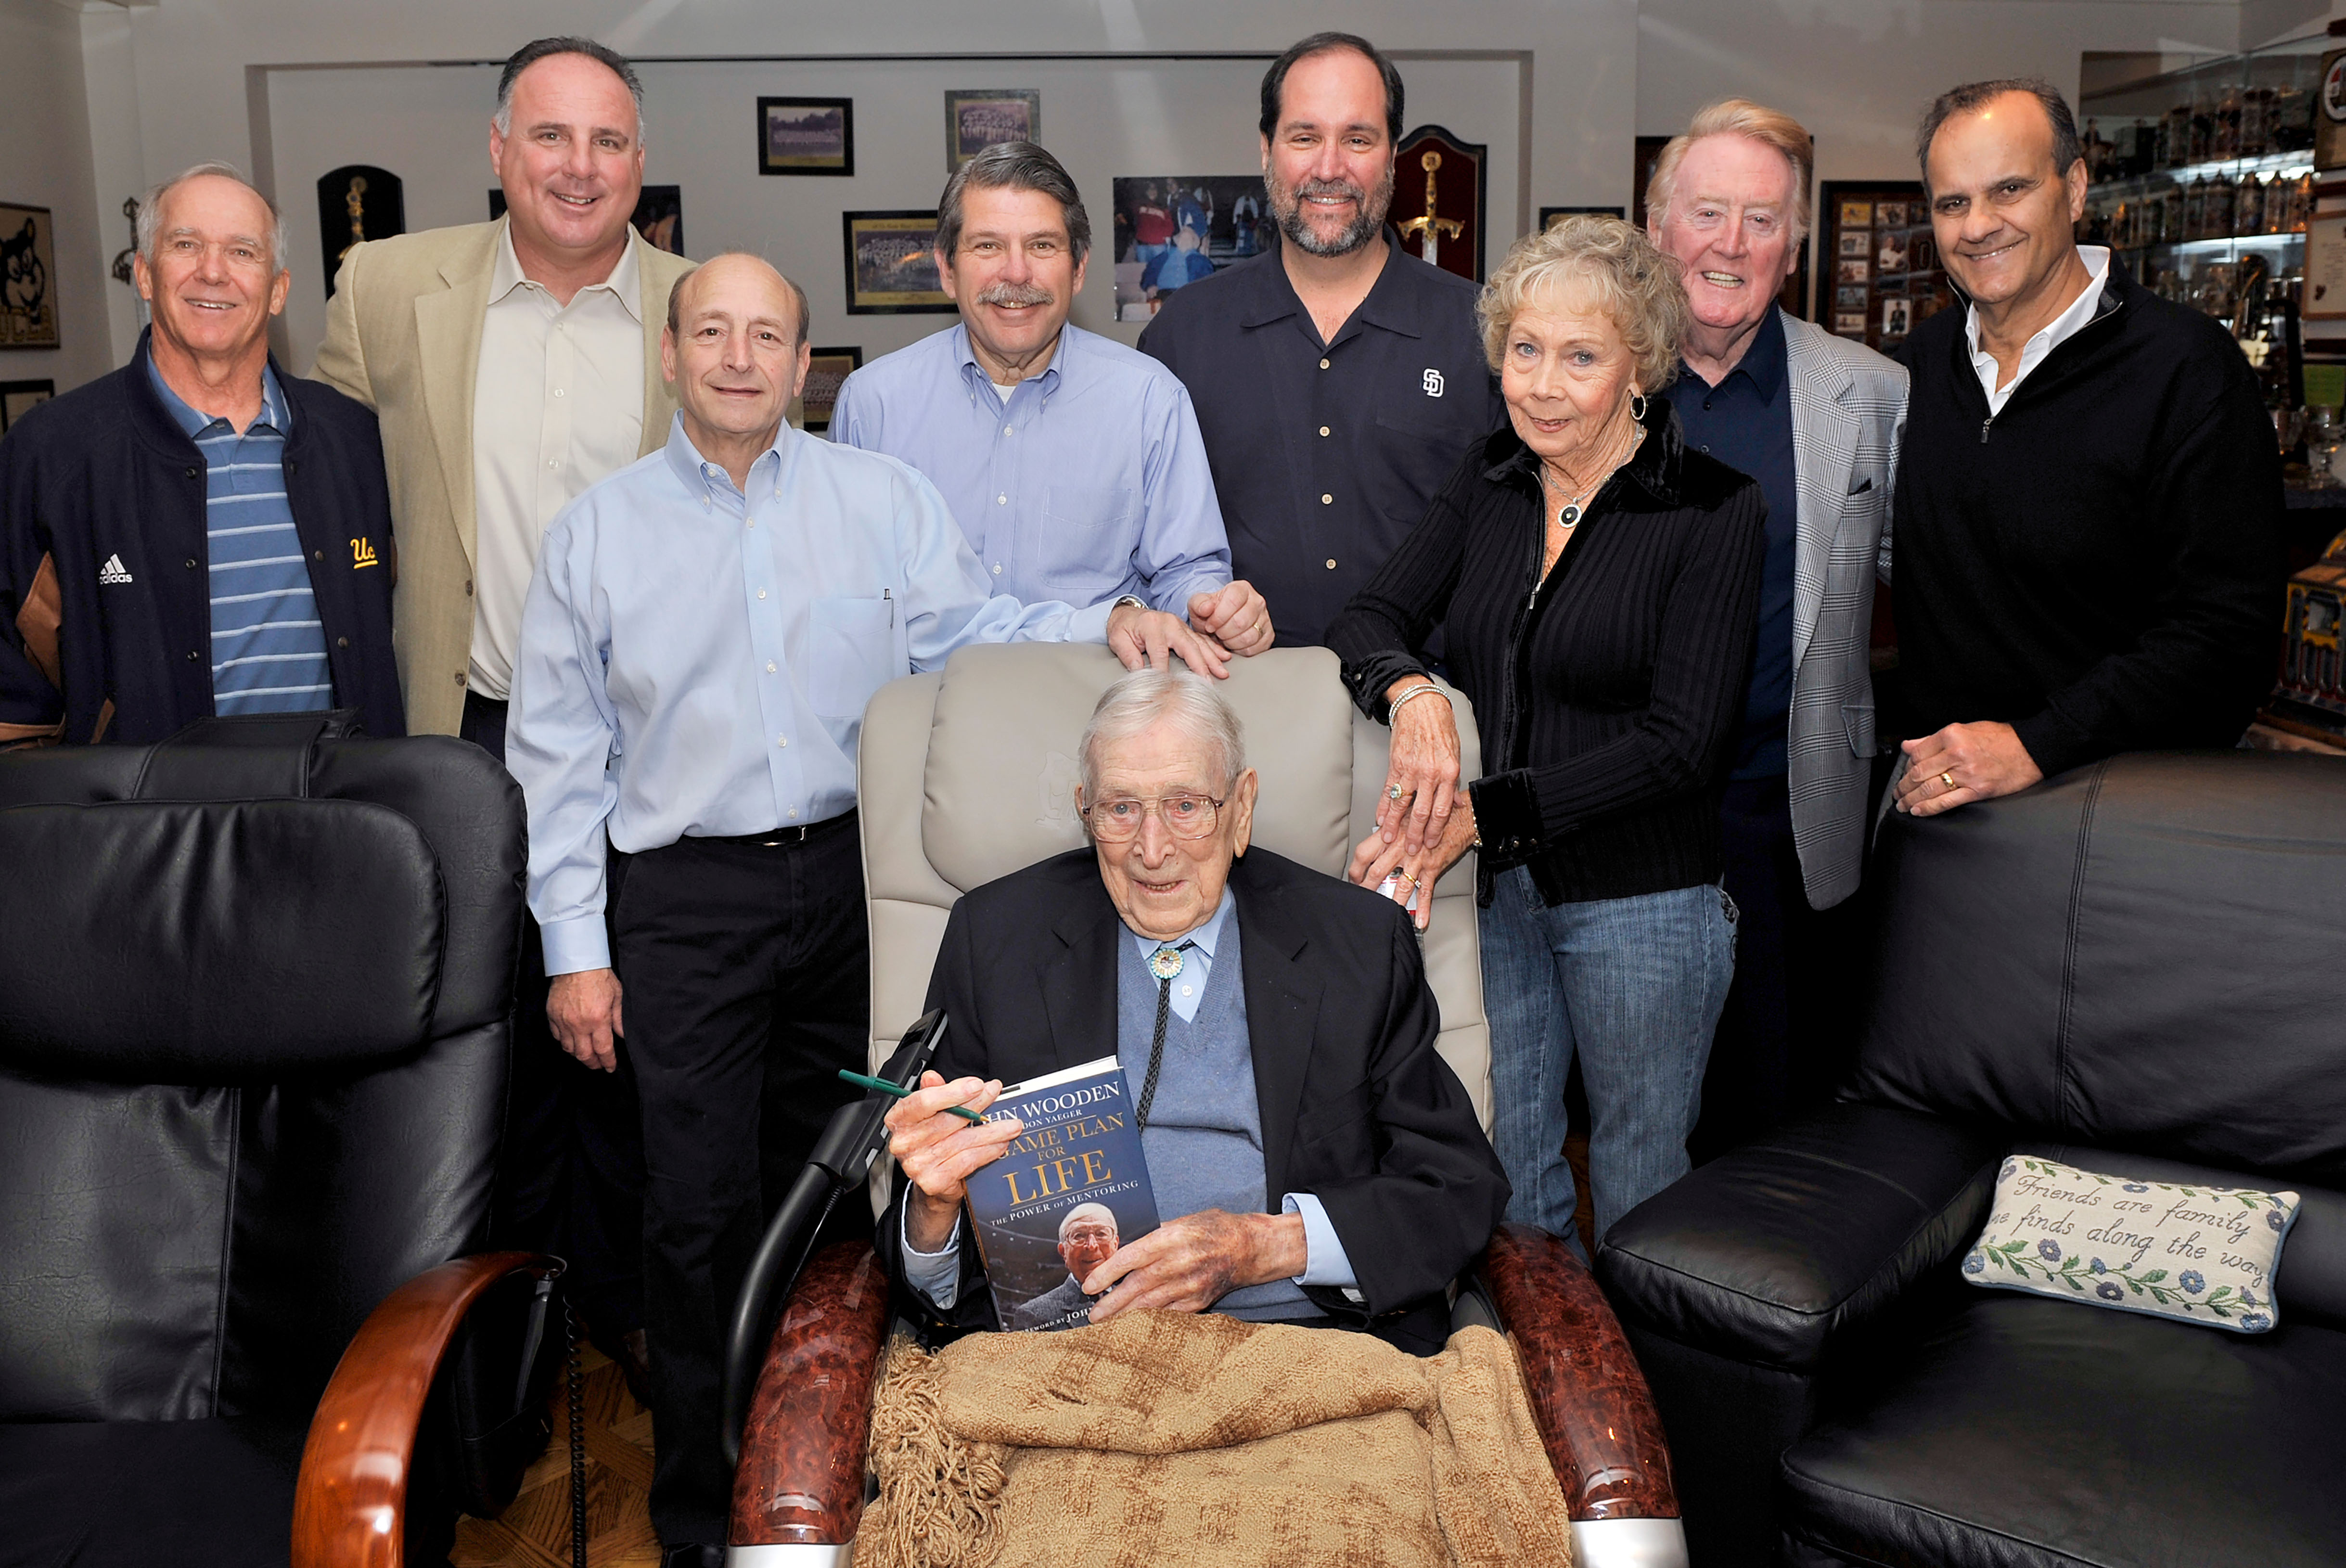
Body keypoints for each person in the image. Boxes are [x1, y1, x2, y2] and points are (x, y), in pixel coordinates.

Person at [509, 253, 1220, 1561]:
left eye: (767, 336)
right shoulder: (596, 532)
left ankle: (832, 1479)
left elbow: (977, 626)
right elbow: (556, 759)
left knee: (850, 1190)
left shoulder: (878, 498)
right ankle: (703, 1516)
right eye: (712, 332)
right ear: (669, 355)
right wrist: (575, 954)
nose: (739, 357)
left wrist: (1115, 621)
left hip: (848, 890)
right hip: (682, 901)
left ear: (802, 364)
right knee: (696, 1207)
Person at [311, 36, 698, 1399]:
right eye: (550, 137)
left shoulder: (697, 309)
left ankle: (633, 1314)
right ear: (497, 151)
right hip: (462, 733)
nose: (578, 167)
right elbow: (326, 493)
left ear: (642, 166)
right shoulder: (385, 287)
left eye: (606, 142)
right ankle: (498, 1346)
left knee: (632, 1032)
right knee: (484, 1047)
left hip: (648, 747)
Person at [1326, 217, 1764, 1255]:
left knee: (1639, 1182)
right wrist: (1414, 692)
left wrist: (1482, 812)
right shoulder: (1491, 481)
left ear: (1640, 367)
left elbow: (1681, 745)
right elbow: (1366, 619)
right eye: (1524, 351)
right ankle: (1534, 1404)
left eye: (1580, 356)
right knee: (1511, 1171)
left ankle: (1640, 1408)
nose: (1543, 384)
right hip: (1499, 899)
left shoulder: (1710, 510)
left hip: (1645, 905)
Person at [877, 667, 1508, 1354]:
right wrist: (932, 1212)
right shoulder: (996, 940)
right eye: (1121, 808)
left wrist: (1266, 1246)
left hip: (1307, 1350)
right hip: (1065, 1364)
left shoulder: (1353, 944)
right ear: (1084, 809)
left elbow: (1456, 1187)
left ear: (1241, 808)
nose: (1152, 848)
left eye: (1185, 805)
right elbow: (932, 1277)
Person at [1891, 78, 2283, 820]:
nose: (1977, 226)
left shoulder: (2185, 368)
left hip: (2125, 819)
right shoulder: (1915, 367)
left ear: (2072, 189)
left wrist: (2035, 743)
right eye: (1951, 203)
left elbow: (2226, 637)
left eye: (2008, 189)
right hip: (1946, 814)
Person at [1643, 101, 1908, 1157]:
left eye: (1761, 221)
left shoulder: (1872, 397)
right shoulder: (1574, 379)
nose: (1731, 244)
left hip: (1783, 819)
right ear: (1657, 224)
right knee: (1624, 1124)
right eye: (1708, 212)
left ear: (1793, 246)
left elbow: (1936, 592)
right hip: (1613, 828)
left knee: (1776, 1115)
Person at [0, 162, 399, 747]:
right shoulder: (52, 453)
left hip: (343, 816)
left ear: (278, 290)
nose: (212, 272)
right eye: (186, 245)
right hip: (151, 827)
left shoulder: (355, 440)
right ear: (144, 274)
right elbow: (14, 688)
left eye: (243, 252)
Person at [831, 141, 1269, 656]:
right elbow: (849, 598)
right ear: (947, 269)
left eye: (1041, 246)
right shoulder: (872, 406)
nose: (1016, 274)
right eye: (988, 246)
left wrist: (1216, 610)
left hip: (1098, 718)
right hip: (923, 715)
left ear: (1078, 268)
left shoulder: (1151, 401)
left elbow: (1186, 573)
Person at [1140, 32, 1502, 650]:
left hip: (1428, 709)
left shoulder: (1482, 332)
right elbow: (1142, 542)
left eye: (1357, 139)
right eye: (1305, 137)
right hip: (1235, 708)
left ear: (1392, 157)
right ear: (1267, 150)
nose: (1330, 167)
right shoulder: (1181, 335)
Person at [1001, 1203, 1122, 1331]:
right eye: (1079, 1236)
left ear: (1116, 1245)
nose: (1092, 1246)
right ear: (1063, 1252)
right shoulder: (1033, 1315)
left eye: (1101, 1234)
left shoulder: (1138, 1296)